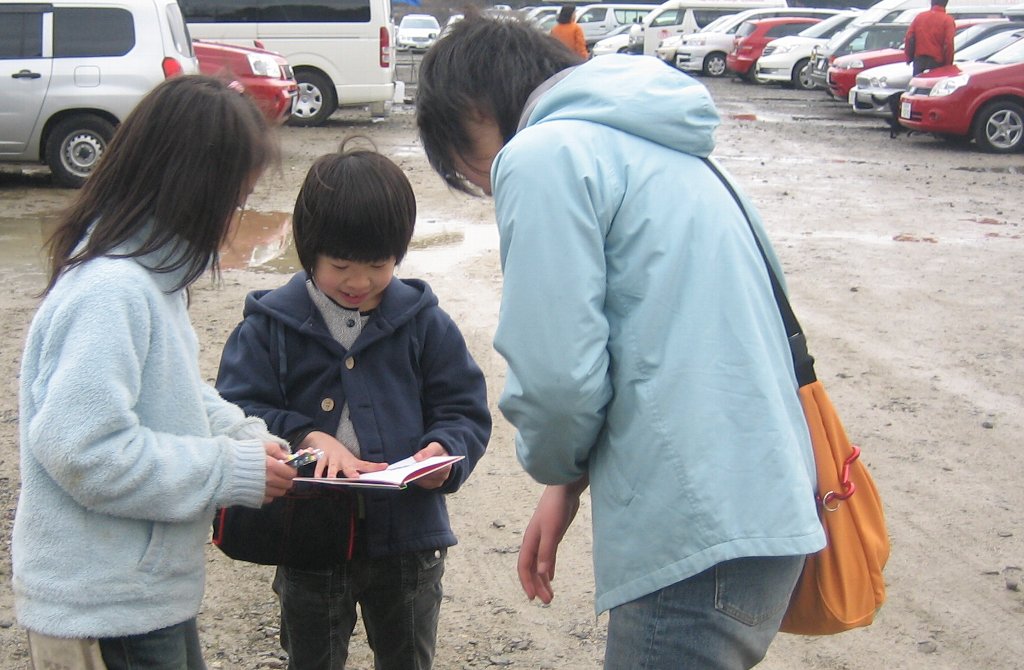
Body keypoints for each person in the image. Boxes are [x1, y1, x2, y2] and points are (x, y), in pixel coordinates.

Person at [417, 15, 826, 670]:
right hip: (766, 512)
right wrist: (568, 484)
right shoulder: (669, 148)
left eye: (465, 162)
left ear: (475, 109)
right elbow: (652, 344)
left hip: (693, 528)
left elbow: (557, 381)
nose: (480, 181)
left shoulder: (542, 152)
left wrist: (552, 463)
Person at [12, 75, 298, 670]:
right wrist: (228, 469)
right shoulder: (110, 290)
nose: (235, 219)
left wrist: (244, 435)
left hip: (140, 599)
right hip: (101, 611)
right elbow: (86, 452)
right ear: (192, 192)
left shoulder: (151, 283)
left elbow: (171, 391)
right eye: (234, 201)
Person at [215, 139, 491, 670]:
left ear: (399, 254)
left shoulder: (425, 324)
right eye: (341, 265)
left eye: (378, 265)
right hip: (308, 540)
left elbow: (462, 407)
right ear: (308, 251)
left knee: (408, 657)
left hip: (407, 538)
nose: (359, 282)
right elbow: (237, 408)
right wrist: (306, 436)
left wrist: (445, 451)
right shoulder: (269, 328)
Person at [904, 0, 956, 75]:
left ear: (931, 2)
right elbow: (949, 44)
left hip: (919, 60)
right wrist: (948, 64)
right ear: (946, 3)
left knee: (918, 81)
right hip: (937, 62)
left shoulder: (920, 17)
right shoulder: (948, 20)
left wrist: (909, 57)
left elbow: (909, 37)